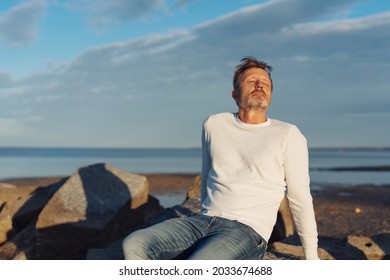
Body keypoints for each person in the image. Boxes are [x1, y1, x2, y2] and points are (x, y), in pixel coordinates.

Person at [122, 56, 319, 260]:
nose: (260, 85)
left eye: (266, 83)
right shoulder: (214, 124)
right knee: (135, 243)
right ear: (235, 94)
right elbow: (207, 176)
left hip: (247, 231)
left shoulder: (288, 134)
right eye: (251, 81)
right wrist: (203, 214)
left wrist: (312, 256)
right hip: (202, 221)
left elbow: (300, 198)